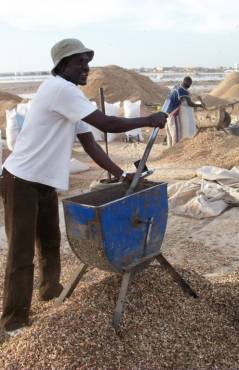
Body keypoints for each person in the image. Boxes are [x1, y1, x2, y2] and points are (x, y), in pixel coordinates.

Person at [0, 38, 167, 332]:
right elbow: (107, 125)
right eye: (80, 62)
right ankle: (13, 322)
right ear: (63, 65)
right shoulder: (59, 89)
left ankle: (50, 291)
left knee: (50, 241)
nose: (86, 68)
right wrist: (148, 120)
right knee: (20, 252)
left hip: (43, 182)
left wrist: (121, 174)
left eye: (87, 61)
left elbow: (90, 143)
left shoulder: (71, 96)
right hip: (21, 180)